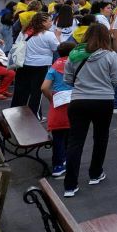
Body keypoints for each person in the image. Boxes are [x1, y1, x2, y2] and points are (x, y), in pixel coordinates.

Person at [62, 23, 117, 197]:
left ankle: (70, 185)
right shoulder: (111, 56)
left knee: (75, 141)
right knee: (101, 137)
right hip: (104, 100)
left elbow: (67, 79)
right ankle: (95, 173)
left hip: (79, 100)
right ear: (106, 37)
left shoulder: (74, 54)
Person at [11, 12, 61, 114]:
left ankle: (15, 113)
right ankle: (34, 115)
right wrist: (58, 36)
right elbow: (57, 48)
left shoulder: (24, 32)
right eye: (50, 21)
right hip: (40, 66)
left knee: (20, 90)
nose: (51, 23)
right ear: (43, 22)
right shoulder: (49, 34)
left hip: (23, 64)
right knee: (36, 92)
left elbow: (17, 45)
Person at [41, 41, 75, 176]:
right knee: (71, 132)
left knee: (58, 134)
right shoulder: (76, 64)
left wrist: (51, 98)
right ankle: (66, 158)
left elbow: (44, 87)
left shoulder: (55, 66)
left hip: (58, 101)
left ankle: (58, 165)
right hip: (74, 100)